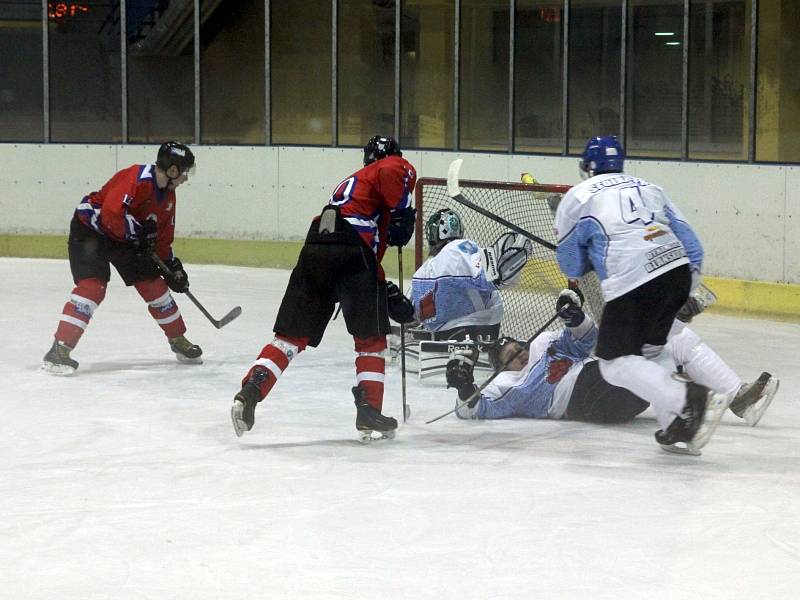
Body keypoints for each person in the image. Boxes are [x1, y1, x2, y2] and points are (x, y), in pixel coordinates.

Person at [230, 135, 418, 442]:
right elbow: (359, 249)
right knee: (370, 339)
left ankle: (251, 390)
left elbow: (359, 254)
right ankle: (369, 409)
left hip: (317, 244)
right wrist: (402, 211)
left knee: (290, 337)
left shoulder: (353, 185)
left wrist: (381, 286)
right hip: (349, 249)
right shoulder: (391, 166)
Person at [553, 135, 730, 455]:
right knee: (650, 352)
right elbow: (692, 246)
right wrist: (683, 289)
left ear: (588, 167)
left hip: (633, 283)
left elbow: (570, 265)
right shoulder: (650, 188)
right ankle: (679, 426)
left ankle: (688, 400)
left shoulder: (577, 197)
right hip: (675, 272)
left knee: (613, 364)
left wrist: (588, 257)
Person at [446, 291, 778, 434]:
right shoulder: (510, 387)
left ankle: (739, 397)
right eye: (511, 358)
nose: (519, 355)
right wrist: (464, 387)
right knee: (649, 348)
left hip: (606, 380)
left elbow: (585, 339)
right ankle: (669, 320)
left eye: (518, 348)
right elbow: (471, 410)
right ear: (502, 369)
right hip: (592, 402)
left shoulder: (545, 346)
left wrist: (574, 317)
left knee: (676, 344)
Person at [41, 142, 202, 375]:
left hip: (125, 238)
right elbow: (111, 215)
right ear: (173, 170)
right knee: (92, 288)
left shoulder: (168, 196)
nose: (186, 178)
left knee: (154, 285)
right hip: (90, 232)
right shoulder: (136, 178)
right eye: (185, 171)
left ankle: (178, 338)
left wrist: (171, 268)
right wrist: (137, 231)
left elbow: (162, 238)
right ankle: (59, 349)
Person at [410, 208, 532, 342]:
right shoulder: (458, 249)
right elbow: (491, 277)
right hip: (477, 331)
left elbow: (411, 313)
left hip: (439, 338)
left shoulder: (421, 272)